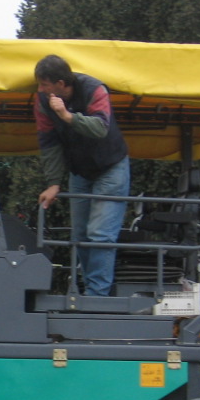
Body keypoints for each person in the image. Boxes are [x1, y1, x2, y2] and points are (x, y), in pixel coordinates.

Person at [34, 54, 130, 297]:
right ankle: (90, 290)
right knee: (80, 235)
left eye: (44, 84)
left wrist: (67, 116)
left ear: (61, 84)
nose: (40, 89)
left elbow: (100, 128)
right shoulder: (43, 101)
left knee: (99, 234)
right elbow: (49, 143)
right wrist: (54, 183)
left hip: (111, 167)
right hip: (80, 171)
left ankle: (96, 296)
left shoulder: (94, 89)